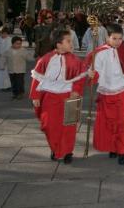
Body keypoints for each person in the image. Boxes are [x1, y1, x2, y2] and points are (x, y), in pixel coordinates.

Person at [85, 24, 124, 165]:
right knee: (108, 123)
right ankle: (112, 147)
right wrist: (91, 75)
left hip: (123, 91)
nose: (118, 41)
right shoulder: (98, 52)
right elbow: (95, 73)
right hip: (105, 93)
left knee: (122, 123)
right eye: (114, 38)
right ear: (107, 37)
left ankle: (122, 151)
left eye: (120, 38)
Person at [30, 29, 86, 163]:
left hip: (69, 96)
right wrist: (35, 96)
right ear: (58, 44)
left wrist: (76, 90)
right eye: (68, 41)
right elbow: (37, 78)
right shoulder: (46, 59)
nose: (71, 43)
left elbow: (80, 78)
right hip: (51, 97)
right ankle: (55, 148)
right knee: (50, 125)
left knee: (69, 125)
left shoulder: (75, 60)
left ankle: (67, 152)